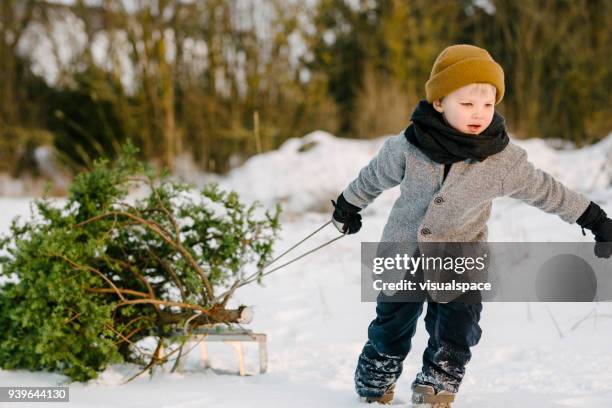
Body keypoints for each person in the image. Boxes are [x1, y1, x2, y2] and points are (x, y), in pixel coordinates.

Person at [330, 44, 612, 407]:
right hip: (403, 253)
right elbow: (372, 178)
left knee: (457, 328)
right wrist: (348, 206)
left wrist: (595, 219)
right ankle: (377, 375)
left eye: (487, 104)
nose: (478, 113)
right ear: (439, 102)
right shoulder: (408, 146)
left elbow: (548, 190)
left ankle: (437, 383)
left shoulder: (501, 159)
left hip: (462, 257)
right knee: (392, 323)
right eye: (466, 104)